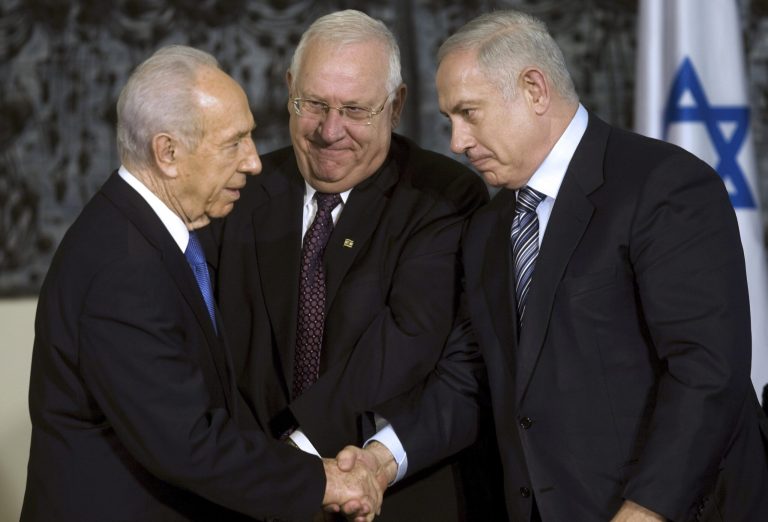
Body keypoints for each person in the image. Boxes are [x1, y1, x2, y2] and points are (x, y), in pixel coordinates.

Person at [346, 9, 768, 522]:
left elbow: (707, 371)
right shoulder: (489, 226)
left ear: (534, 89)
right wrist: (380, 458)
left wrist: (648, 509)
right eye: (448, 121)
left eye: (469, 113)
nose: (456, 141)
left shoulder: (663, 186)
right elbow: (474, 377)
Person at [21, 44, 381, 522]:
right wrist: (325, 480)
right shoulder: (122, 268)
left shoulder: (153, 238)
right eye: (234, 143)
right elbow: (188, 441)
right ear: (167, 153)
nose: (254, 163)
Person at [204, 9, 498, 521]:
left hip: (392, 500)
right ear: (289, 88)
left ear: (396, 106)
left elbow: (406, 338)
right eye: (314, 104)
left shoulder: (442, 196)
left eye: (356, 110)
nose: (329, 130)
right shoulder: (239, 189)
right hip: (251, 499)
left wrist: (293, 456)